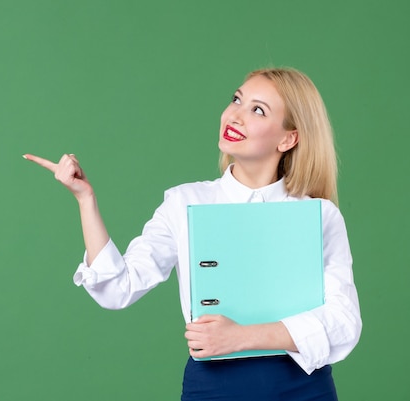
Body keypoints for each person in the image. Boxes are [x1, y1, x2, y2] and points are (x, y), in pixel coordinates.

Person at [23, 67, 362, 400]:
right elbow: (116, 289)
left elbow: (344, 322)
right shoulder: (184, 202)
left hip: (303, 387)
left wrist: (241, 337)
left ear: (288, 138)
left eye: (258, 110)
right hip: (214, 388)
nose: (235, 115)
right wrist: (85, 199)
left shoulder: (319, 215)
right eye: (237, 100)